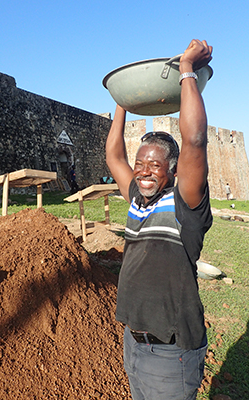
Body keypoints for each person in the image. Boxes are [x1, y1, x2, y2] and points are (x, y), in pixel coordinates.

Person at [105, 39, 213, 400]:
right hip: (134, 343)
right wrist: (122, 99)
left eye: (155, 165)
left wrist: (186, 72)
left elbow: (195, 139)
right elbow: (114, 156)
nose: (144, 171)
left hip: (171, 352)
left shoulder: (186, 204)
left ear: (173, 169)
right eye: (141, 164)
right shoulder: (137, 199)